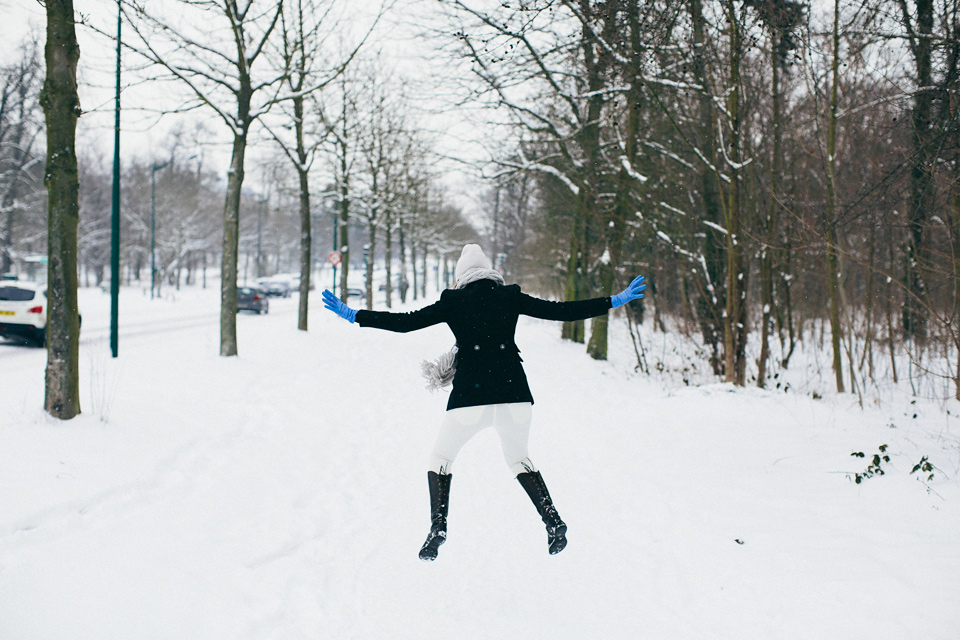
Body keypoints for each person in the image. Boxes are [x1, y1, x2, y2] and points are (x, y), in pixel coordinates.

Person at [322, 244, 645, 561]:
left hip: (469, 397)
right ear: (492, 273)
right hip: (515, 395)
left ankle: (438, 527)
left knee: (441, 459)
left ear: (461, 277)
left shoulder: (454, 301)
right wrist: (613, 301)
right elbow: (560, 311)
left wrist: (355, 316)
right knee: (519, 459)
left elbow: (406, 322)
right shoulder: (510, 296)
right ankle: (553, 520)